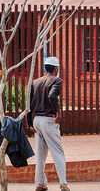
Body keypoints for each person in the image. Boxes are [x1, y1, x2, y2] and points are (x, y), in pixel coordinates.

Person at [27, 57, 69, 191]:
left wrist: (29, 123)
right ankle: (63, 184)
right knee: (58, 152)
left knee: (40, 155)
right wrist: (58, 113)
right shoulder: (57, 80)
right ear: (56, 69)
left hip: (37, 121)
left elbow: (28, 104)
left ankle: (40, 184)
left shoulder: (36, 82)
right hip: (49, 120)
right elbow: (52, 96)